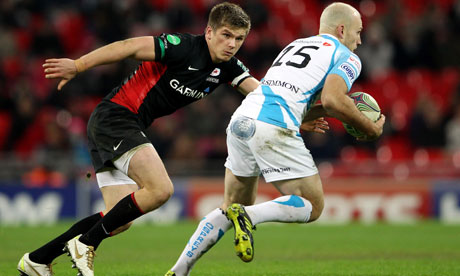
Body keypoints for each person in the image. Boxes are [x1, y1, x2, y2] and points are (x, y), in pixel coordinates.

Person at [17, 3, 259, 276]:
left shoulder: (229, 67)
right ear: (209, 32)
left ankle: (37, 260)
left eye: (239, 39)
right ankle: (86, 243)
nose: (232, 44)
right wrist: (78, 65)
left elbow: (262, 97)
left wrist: (299, 119)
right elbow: (128, 46)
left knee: (118, 219)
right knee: (160, 189)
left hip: (115, 124)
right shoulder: (183, 46)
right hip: (117, 117)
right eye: (226, 35)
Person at [165, 2, 386, 276]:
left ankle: (178, 271)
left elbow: (296, 95)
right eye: (358, 32)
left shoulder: (296, 44)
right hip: (273, 125)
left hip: (242, 119)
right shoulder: (347, 56)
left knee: (230, 206)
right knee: (312, 205)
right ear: (342, 29)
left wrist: (307, 115)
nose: (360, 39)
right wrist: (371, 128)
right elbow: (333, 99)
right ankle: (250, 217)